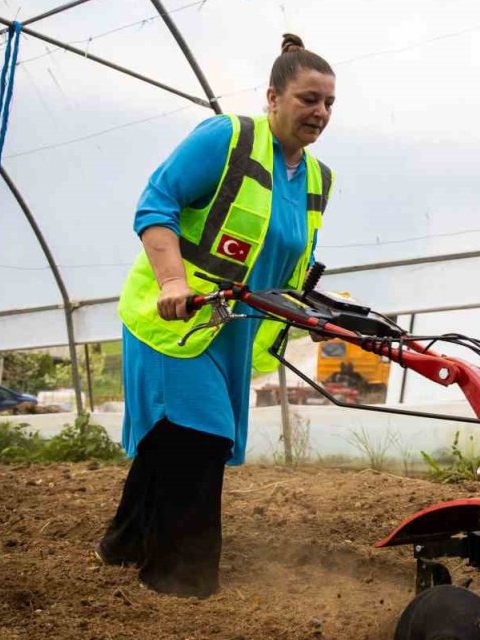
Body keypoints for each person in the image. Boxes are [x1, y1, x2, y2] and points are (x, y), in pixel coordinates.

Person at [96, 33, 336, 598]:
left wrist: (312, 306)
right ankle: (178, 577)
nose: (320, 112)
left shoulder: (319, 178)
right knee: (202, 435)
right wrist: (172, 282)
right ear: (272, 97)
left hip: (232, 332)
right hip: (176, 317)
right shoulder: (227, 139)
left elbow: (288, 257)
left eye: (328, 103)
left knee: (173, 436)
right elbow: (156, 203)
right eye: (308, 99)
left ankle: (123, 543)